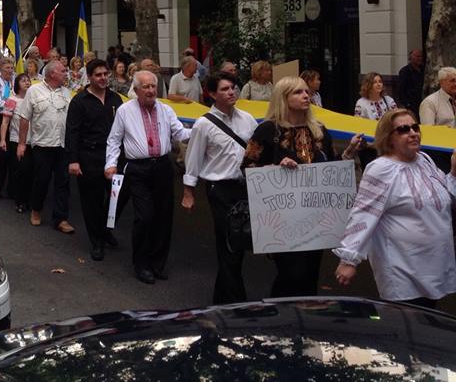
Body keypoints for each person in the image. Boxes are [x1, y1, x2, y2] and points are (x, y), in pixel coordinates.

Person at [335, 108, 456, 308]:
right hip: (403, 268)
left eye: (415, 127)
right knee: (408, 320)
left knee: (428, 318)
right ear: (388, 138)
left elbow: (445, 196)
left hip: (434, 265)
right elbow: (363, 214)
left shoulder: (424, 160)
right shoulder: (381, 169)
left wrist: (453, 172)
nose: (413, 133)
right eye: (403, 129)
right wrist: (349, 260)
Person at [242, 76, 348, 297]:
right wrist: (275, 168)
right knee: (291, 274)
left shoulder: (318, 130)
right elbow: (247, 167)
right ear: (283, 98)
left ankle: (305, 314)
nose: (306, 96)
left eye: (307, 91)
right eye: (298, 92)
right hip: (283, 217)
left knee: (310, 274)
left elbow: (331, 165)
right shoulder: (268, 130)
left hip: (316, 215)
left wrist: (349, 153)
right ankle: (280, 312)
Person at [105, 71, 190, 284]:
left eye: (153, 86)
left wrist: (204, 129)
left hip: (162, 167)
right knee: (144, 217)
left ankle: (157, 263)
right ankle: (141, 264)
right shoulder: (125, 111)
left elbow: (180, 133)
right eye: (146, 87)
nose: (151, 90)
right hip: (137, 169)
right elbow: (114, 140)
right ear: (136, 90)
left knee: (163, 216)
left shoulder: (166, 109)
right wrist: (111, 164)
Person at [181, 72, 258, 303]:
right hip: (220, 190)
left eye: (233, 87)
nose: (231, 92)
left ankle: (221, 299)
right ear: (213, 94)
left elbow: (257, 151)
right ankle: (238, 302)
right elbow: (193, 158)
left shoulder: (248, 119)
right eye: (225, 89)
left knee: (240, 243)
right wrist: (188, 192)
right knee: (228, 243)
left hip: (244, 187)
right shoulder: (204, 124)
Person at [66, 59, 124, 261]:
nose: (103, 78)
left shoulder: (115, 98)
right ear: (89, 77)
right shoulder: (79, 101)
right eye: (98, 75)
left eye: (105, 74)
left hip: (114, 157)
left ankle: (106, 229)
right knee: (92, 201)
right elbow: (72, 132)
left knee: (117, 198)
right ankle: (97, 241)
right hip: (89, 156)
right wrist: (73, 160)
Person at [17, 62, 74, 233]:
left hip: (62, 144)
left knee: (63, 183)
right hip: (42, 144)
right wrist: (22, 143)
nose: (66, 73)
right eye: (63, 71)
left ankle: (61, 219)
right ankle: (36, 209)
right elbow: (24, 118)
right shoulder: (34, 91)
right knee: (42, 180)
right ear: (52, 74)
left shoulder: (67, 92)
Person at [0, 73, 33, 213]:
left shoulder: (34, 98)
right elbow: (5, 122)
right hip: (17, 140)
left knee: (31, 172)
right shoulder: (12, 100)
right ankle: (20, 201)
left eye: (28, 80)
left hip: (34, 140)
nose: (27, 82)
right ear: (17, 84)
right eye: (23, 81)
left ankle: (29, 199)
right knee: (21, 170)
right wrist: (3, 139)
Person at [0, 56, 17, 198]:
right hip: (0, 117)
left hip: (15, 118)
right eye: (7, 68)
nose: (10, 70)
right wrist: (12, 107)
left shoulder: (14, 80)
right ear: (0, 68)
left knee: (14, 153)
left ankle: (12, 188)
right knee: (2, 152)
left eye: (11, 68)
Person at [395, 50, 425, 114]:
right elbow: (400, 89)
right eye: (417, 56)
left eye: (421, 56)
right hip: (411, 104)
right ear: (411, 58)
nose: (420, 58)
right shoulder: (405, 71)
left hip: (422, 102)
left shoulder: (423, 69)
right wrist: (407, 104)